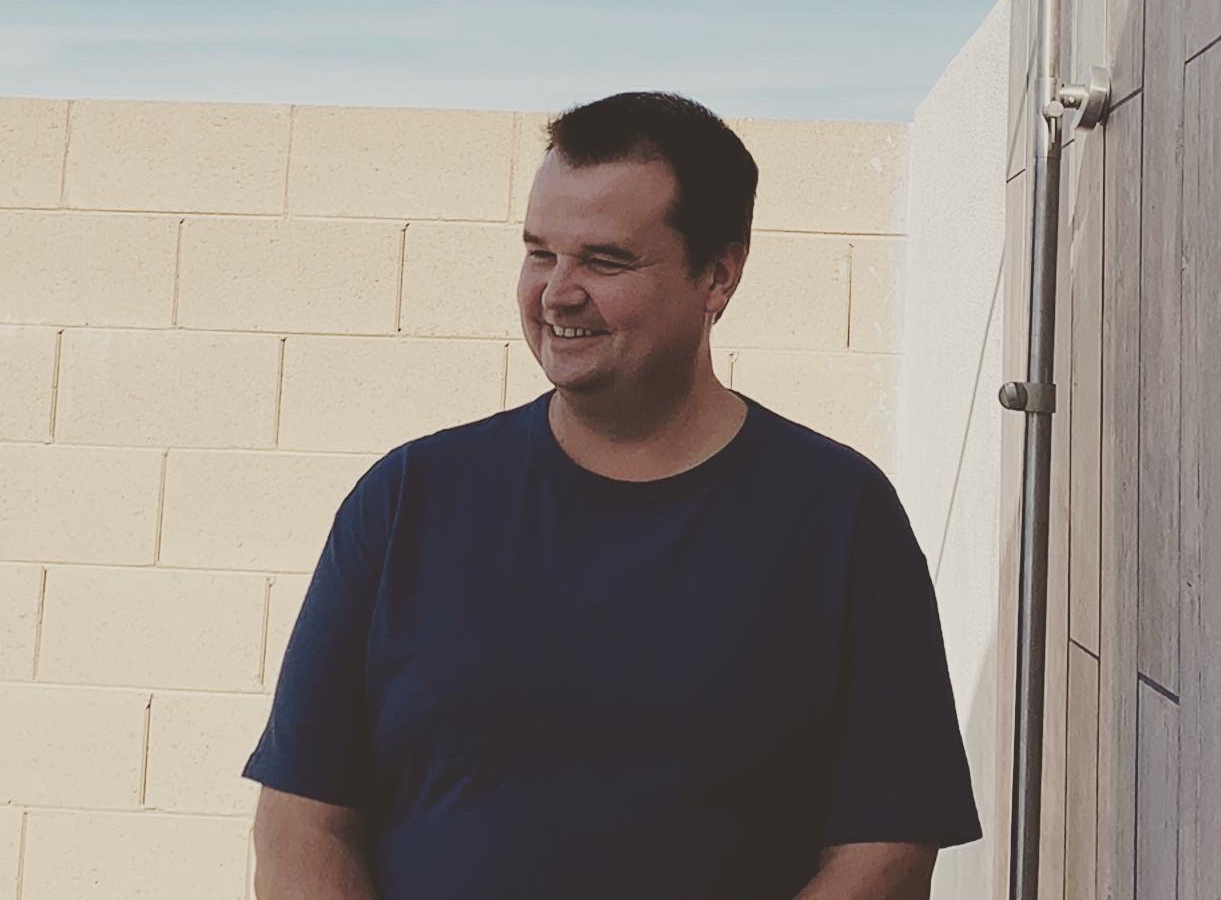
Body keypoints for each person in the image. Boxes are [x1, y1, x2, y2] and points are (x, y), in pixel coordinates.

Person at [244, 91, 981, 900]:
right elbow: (301, 822)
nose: (557, 293)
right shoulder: (407, 500)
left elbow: (886, 854)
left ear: (718, 275)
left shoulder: (841, 518)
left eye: (604, 261)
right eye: (540, 253)